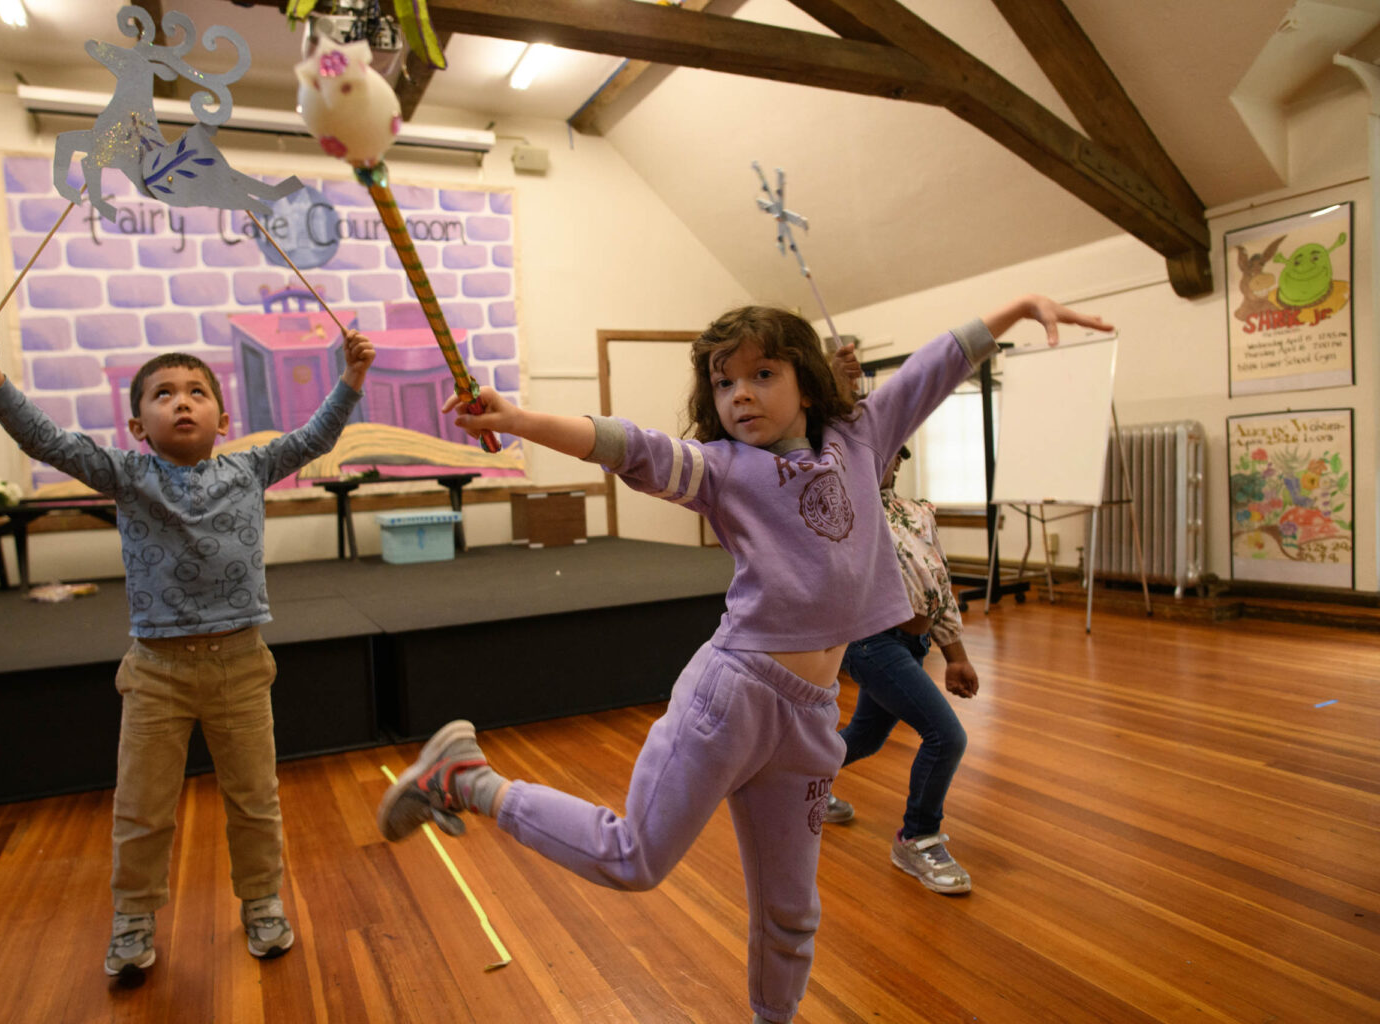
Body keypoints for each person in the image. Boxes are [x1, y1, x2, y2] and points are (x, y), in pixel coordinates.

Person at [376, 296, 1111, 1023]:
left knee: (793, 912)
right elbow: (630, 445)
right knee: (632, 857)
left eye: (762, 374)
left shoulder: (860, 437)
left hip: (813, 716)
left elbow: (936, 365)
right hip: (735, 695)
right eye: (724, 383)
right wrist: (519, 421)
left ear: (806, 379)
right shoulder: (723, 469)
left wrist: (1016, 309)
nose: (741, 396)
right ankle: (467, 780)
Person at [0, 316, 375, 977]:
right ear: (137, 427)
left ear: (224, 416)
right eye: (164, 393)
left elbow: (316, 436)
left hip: (240, 665)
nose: (182, 401)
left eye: (196, 391)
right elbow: (48, 440)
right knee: (142, 808)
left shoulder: (252, 465)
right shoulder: (126, 473)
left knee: (255, 800)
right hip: (156, 672)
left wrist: (350, 377)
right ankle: (133, 918)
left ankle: (262, 901)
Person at [818, 435, 981, 896]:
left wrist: (956, 656)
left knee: (866, 737)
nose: (882, 463)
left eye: (890, 454)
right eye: (869, 455)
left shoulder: (920, 512)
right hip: (870, 644)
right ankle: (916, 836)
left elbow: (941, 586)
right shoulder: (848, 514)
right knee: (946, 737)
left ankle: (800, 783)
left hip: (915, 644)